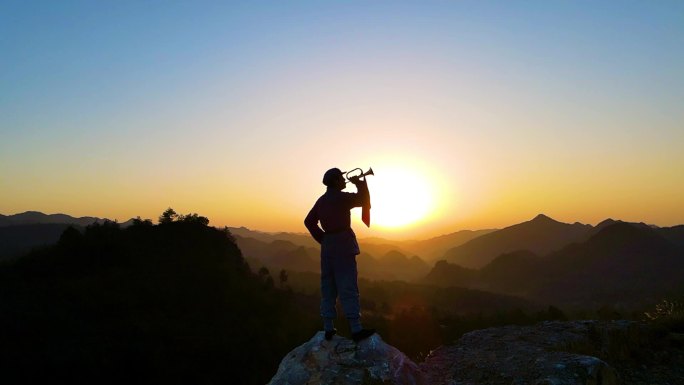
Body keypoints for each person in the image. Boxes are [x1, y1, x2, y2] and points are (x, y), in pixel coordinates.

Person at [304, 168, 376, 342]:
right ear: (336, 181)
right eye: (341, 178)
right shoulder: (342, 198)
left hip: (328, 245)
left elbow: (308, 221)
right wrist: (360, 184)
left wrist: (323, 238)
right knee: (348, 285)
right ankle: (356, 329)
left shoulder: (321, 201)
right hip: (343, 243)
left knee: (328, 286)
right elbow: (362, 200)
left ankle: (328, 327)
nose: (344, 180)